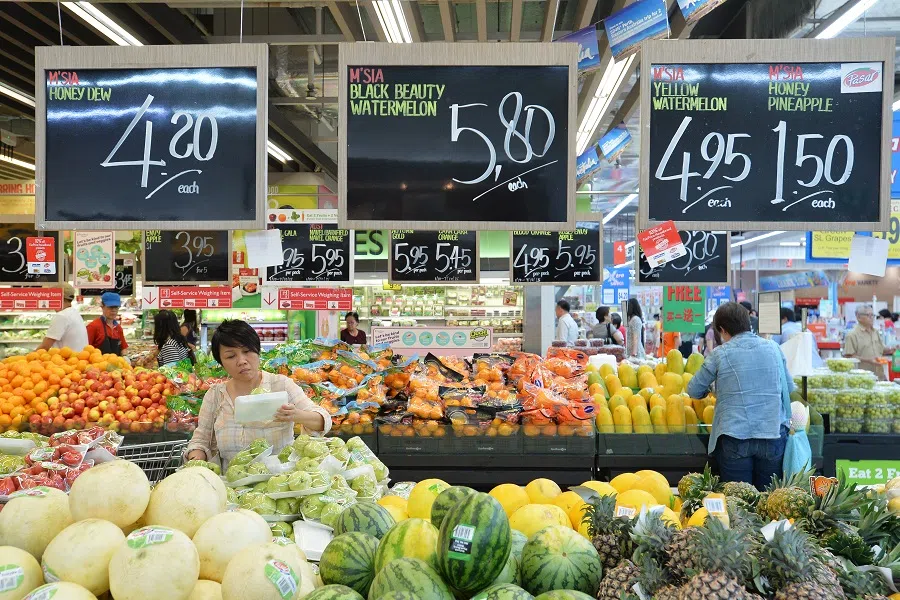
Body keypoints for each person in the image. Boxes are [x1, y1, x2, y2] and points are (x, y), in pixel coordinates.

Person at [184, 320, 330, 469]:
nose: (242, 361)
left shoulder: (281, 385)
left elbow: (322, 420)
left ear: (257, 350)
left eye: (247, 351)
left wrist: (297, 415)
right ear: (221, 362)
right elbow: (201, 440)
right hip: (231, 485)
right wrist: (194, 463)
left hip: (279, 483)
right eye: (230, 356)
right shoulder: (215, 395)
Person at [687, 302, 792, 489]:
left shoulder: (719, 354)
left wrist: (713, 389)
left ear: (722, 329)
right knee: (768, 501)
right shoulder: (774, 349)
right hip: (772, 433)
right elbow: (789, 388)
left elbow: (693, 389)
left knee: (738, 502)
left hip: (735, 437)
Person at [844, 304, 895, 378]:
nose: (872, 318)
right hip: (862, 377)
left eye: (873, 315)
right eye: (868, 315)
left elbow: (881, 350)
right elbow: (849, 357)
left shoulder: (875, 332)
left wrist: (892, 349)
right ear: (858, 317)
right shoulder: (852, 335)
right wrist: (869, 360)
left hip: (879, 376)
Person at [38, 284, 88, 352]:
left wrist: (28, 359)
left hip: (68, 361)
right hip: (78, 359)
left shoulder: (61, 316)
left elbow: (45, 346)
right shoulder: (74, 313)